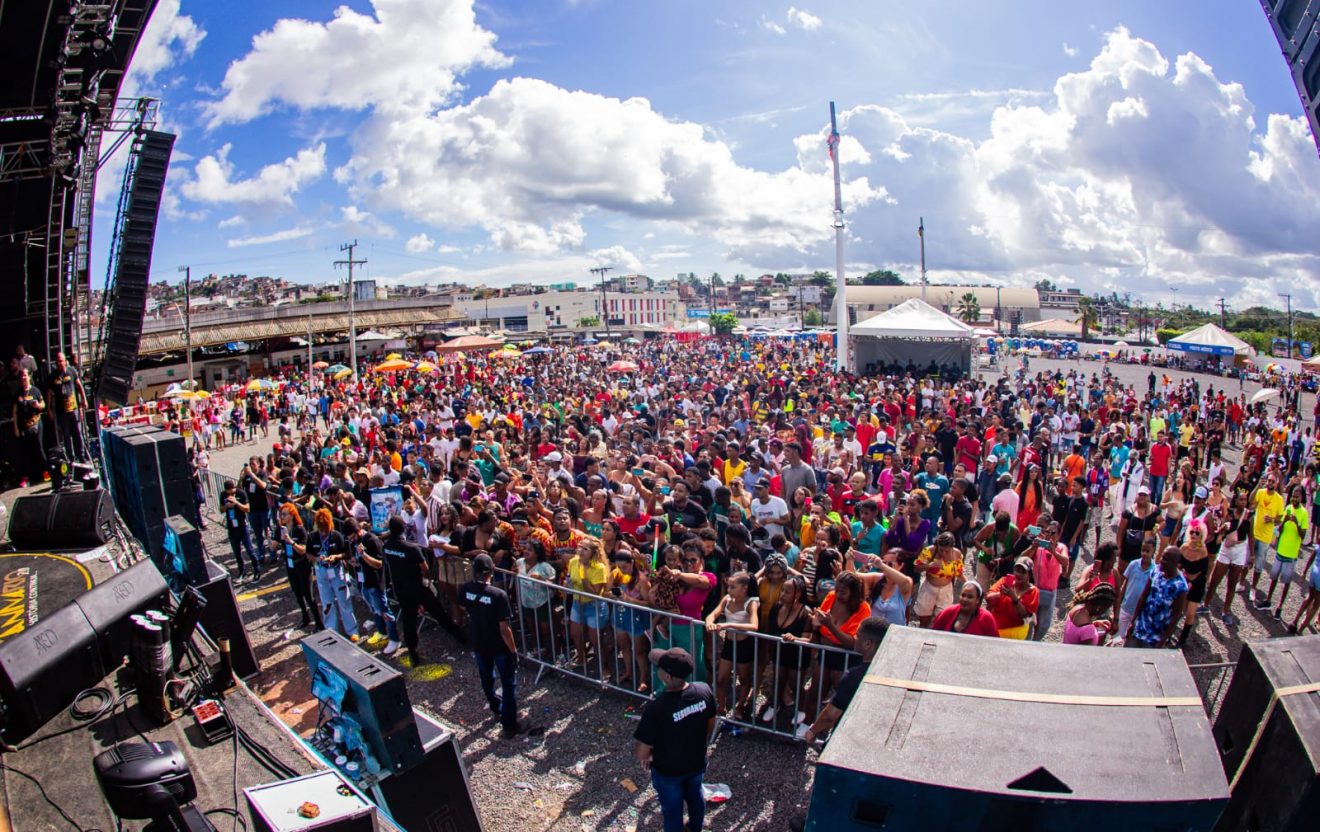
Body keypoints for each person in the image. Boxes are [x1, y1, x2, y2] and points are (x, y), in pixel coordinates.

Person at [634, 647, 717, 832]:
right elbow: (711, 722)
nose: (657, 670)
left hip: (668, 771)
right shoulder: (704, 690)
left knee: (672, 811)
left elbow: (642, 752)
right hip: (696, 762)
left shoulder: (656, 709)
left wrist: (650, 757)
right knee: (696, 797)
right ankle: (696, 827)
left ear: (667, 677)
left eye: (659, 668)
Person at [383, 514, 465, 665]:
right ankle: (459, 636)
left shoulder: (387, 547)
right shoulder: (411, 548)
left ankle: (412, 652)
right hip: (418, 587)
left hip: (401, 590)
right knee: (439, 613)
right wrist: (425, 580)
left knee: (409, 622)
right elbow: (425, 568)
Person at [461, 554, 526, 738]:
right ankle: (509, 725)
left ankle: (496, 708)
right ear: (492, 571)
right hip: (499, 646)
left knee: (486, 678)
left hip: (479, 642)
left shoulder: (465, 589)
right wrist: (513, 651)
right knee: (508, 684)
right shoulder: (498, 595)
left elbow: (464, 608)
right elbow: (504, 629)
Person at [799, 617, 888, 744]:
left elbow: (830, 716)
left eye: (857, 636)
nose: (855, 639)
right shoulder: (888, 671)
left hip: (849, 738)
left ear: (868, 644)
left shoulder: (855, 676)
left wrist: (812, 730)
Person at [705, 571, 760, 720]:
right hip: (729, 644)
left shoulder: (751, 602)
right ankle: (721, 706)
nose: (729, 590)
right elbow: (713, 614)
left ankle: (740, 707)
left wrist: (728, 624)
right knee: (721, 678)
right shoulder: (727, 599)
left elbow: (754, 625)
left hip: (745, 645)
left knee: (744, 678)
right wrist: (709, 622)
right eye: (728, 586)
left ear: (744, 588)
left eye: (733, 587)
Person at [1256, 485, 1309, 618]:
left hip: (1291, 554)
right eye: (1293, 496)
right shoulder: (1288, 508)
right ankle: (1268, 600)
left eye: (1296, 496)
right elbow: (1279, 530)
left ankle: (1280, 607)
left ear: (1301, 497)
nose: (1294, 499)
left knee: (1286, 582)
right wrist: (1284, 521)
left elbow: (1303, 536)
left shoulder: (1304, 513)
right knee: (1273, 577)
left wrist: (1296, 523)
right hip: (1281, 551)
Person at [307, 508, 358, 641]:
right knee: (327, 603)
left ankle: (352, 630)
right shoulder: (312, 537)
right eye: (321, 528)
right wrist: (317, 559)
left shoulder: (336, 535)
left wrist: (335, 556)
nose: (323, 531)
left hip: (336, 570)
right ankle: (331, 631)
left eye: (325, 528)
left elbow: (345, 553)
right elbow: (308, 554)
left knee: (344, 600)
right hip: (321, 571)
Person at [1126, 546, 1189, 649]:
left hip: (1156, 637)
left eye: (1165, 559)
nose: (1160, 561)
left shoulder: (1180, 586)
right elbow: (1143, 596)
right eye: (1162, 557)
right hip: (1140, 628)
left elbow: (1176, 616)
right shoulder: (1156, 571)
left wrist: (1162, 641)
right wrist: (1132, 621)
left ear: (1174, 563)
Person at [276, 503, 321, 630]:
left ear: (292, 514)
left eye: (284, 514)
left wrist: (291, 541)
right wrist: (271, 538)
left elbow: (303, 550)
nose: (282, 516)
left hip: (302, 564)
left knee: (309, 595)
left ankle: (318, 623)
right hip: (290, 565)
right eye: (281, 514)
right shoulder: (282, 529)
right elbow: (273, 546)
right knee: (298, 594)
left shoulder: (299, 529)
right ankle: (305, 617)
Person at [985, 557, 1039, 640]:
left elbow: (1024, 614)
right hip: (996, 629)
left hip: (1016, 633)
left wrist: (1013, 597)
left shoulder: (1033, 591)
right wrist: (1000, 594)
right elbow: (988, 597)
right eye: (1017, 570)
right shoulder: (1004, 581)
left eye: (1023, 572)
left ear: (1029, 575)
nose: (1019, 574)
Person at [221, 479, 262, 581]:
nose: (231, 494)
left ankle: (257, 569)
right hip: (231, 527)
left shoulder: (241, 493)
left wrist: (236, 503)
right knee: (237, 552)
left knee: (249, 549)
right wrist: (226, 506)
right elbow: (221, 509)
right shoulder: (223, 495)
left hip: (242, 526)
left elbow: (247, 509)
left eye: (232, 492)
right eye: (229, 492)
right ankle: (242, 571)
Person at [931, 581, 999, 636]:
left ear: (978, 600)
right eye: (963, 595)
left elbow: (994, 644)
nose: (965, 599)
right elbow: (933, 634)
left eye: (970, 597)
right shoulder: (948, 612)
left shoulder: (986, 618)